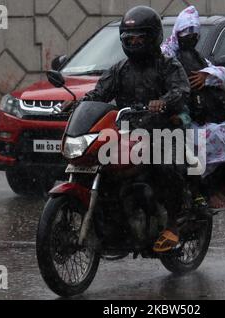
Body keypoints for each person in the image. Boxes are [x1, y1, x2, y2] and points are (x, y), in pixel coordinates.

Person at [82, 6, 191, 253]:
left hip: (163, 132)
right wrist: (79, 103)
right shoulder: (120, 69)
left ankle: (174, 223)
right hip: (126, 135)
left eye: (139, 38)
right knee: (99, 164)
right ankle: (114, 223)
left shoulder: (167, 65)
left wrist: (164, 101)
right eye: (128, 39)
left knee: (164, 167)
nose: (134, 42)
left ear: (152, 38)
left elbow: (182, 90)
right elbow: (99, 93)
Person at [161, 6, 225, 211]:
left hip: (200, 117)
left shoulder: (194, 56)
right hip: (177, 119)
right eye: (186, 32)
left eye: (195, 33)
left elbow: (222, 75)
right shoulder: (166, 55)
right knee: (206, 143)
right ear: (177, 32)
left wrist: (207, 75)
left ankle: (216, 191)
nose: (191, 37)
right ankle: (205, 193)